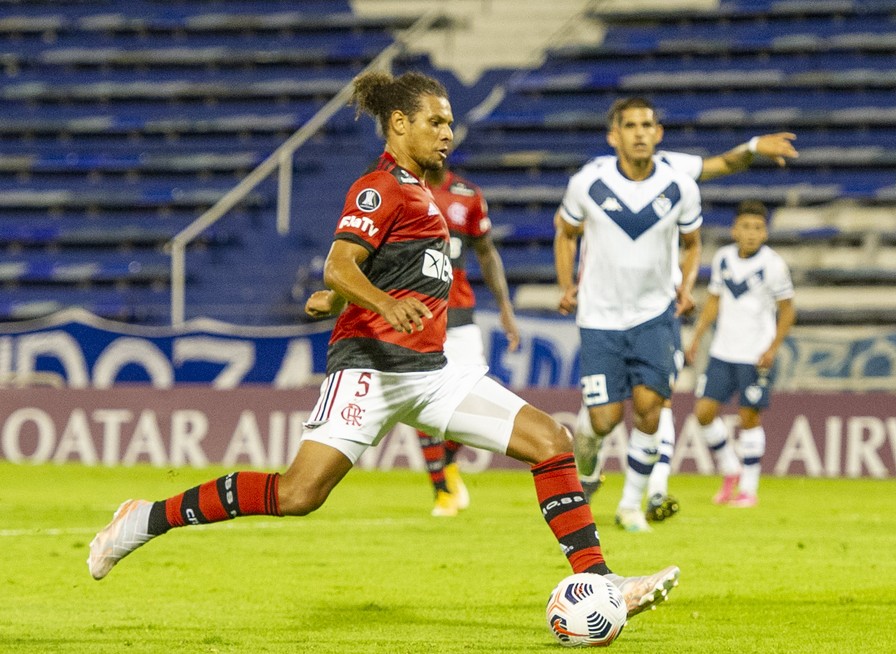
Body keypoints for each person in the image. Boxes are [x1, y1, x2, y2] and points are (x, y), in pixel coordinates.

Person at [87, 70, 679, 618]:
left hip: (431, 371)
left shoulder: (422, 193)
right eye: (436, 122)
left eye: (450, 123)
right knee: (297, 495)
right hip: (368, 371)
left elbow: (373, 272)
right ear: (400, 124)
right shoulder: (379, 187)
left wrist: (347, 298)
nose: (448, 133)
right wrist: (371, 301)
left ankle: (600, 583)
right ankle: (143, 520)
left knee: (552, 440)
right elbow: (340, 264)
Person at [554, 96, 798, 532]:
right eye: (631, 125)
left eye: (648, 124)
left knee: (650, 410)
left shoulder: (677, 178)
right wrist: (566, 282)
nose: (641, 132)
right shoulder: (587, 182)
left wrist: (756, 145)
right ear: (614, 136)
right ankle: (587, 465)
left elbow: (718, 176)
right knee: (602, 420)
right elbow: (565, 233)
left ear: (659, 133)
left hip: (654, 316)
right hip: (600, 317)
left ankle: (631, 505)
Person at [307, 163, 521, 518]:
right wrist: (337, 298)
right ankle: (442, 489)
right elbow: (359, 256)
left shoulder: (467, 196)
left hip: (459, 315)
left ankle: (446, 467)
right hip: (410, 315)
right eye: (434, 123)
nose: (442, 137)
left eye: (446, 126)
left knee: (468, 400)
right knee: (422, 399)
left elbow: (486, 252)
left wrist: (504, 307)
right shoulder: (394, 192)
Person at [685, 199, 795, 507]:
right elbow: (714, 300)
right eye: (746, 227)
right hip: (723, 351)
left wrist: (772, 348)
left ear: (765, 233)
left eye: (758, 228)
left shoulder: (773, 265)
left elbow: (788, 311)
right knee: (703, 413)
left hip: (754, 354)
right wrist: (696, 338)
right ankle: (730, 470)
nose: (751, 233)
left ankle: (749, 488)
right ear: (735, 230)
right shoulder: (723, 259)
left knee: (748, 417)